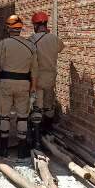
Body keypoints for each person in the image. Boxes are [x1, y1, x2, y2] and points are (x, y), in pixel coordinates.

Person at [0, 14, 38, 159]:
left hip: (6, 83)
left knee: (4, 116)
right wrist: (33, 87)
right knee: (22, 117)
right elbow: (35, 70)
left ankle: (3, 150)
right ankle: (22, 151)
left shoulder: (4, 43)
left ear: (8, 28)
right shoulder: (30, 45)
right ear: (20, 29)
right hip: (24, 84)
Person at [29, 11, 65, 148]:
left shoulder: (32, 40)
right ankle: (47, 132)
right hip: (50, 78)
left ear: (35, 25)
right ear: (45, 24)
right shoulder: (54, 39)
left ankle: (38, 140)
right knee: (49, 106)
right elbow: (61, 48)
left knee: (37, 108)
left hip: (37, 79)